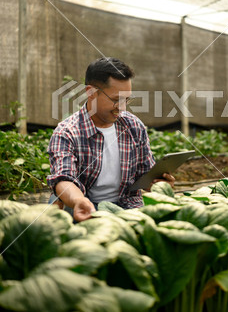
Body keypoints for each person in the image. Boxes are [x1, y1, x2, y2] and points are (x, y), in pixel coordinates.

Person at [47, 57, 175, 222]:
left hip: (126, 205)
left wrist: (158, 184)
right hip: (86, 205)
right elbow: (64, 179)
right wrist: (79, 201)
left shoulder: (133, 126)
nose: (122, 107)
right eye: (116, 100)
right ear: (91, 92)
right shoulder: (67, 132)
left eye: (126, 100)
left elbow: (145, 175)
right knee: (58, 211)